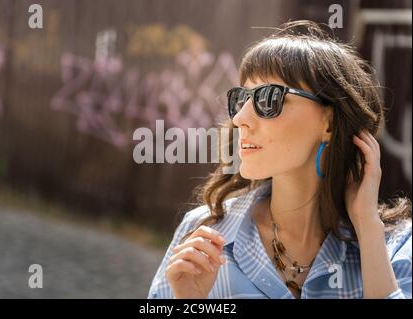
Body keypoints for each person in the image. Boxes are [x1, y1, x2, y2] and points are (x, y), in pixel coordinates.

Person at [148, 20, 412, 299]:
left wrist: (368, 227)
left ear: (330, 123)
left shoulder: (394, 244)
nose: (240, 119)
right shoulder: (204, 232)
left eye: (268, 98)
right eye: (241, 99)